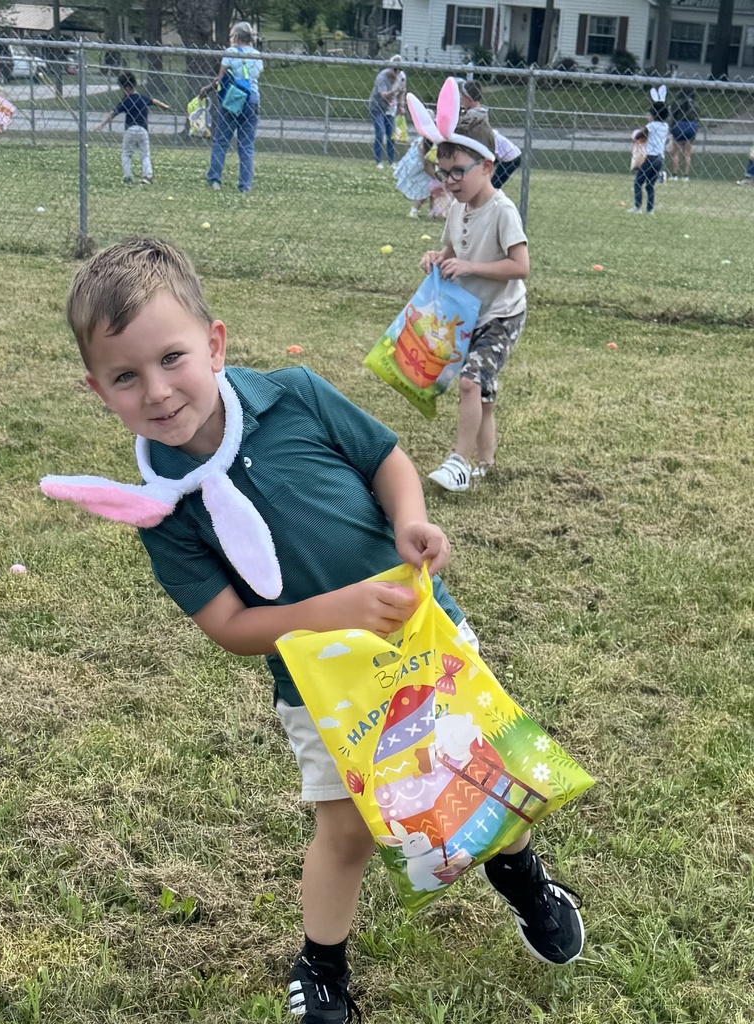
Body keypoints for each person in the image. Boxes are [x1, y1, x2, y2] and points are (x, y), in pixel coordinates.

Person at [49, 236, 584, 1024]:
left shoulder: (292, 394)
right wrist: (327, 614)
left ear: (216, 343)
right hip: (320, 689)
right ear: (99, 391)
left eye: (172, 358)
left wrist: (411, 522)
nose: (158, 391)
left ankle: (524, 879)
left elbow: (386, 460)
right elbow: (229, 626)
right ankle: (322, 966)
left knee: (476, 777)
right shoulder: (159, 508)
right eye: (127, 377)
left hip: (423, 640)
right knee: (347, 828)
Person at [411, 97, 529, 492]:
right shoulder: (457, 208)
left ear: (487, 166)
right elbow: (450, 252)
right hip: (471, 313)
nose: (450, 182)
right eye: (444, 173)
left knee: (469, 382)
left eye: (459, 171)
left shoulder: (502, 211)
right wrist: (436, 257)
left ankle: (459, 463)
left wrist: (471, 267)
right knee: (484, 395)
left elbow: (520, 266)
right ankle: (487, 465)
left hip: (502, 315)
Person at [200, 21, 263, 193]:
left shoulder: (231, 52)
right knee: (246, 145)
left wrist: (207, 89)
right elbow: (255, 75)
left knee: (221, 141)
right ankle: (245, 185)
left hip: (233, 101)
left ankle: (215, 180)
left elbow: (220, 78)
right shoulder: (256, 54)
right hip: (251, 99)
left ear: (235, 36)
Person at [94, 71, 169, 185]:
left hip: (130, 130)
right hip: (143, 130)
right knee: (145, 154)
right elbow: (154, 101)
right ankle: (147, 176)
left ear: (126, 88)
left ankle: (128, 176)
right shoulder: (142, 98)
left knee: (126, 154)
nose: (122, 92)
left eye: (122, 89)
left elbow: (113, 113)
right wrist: (165, 107)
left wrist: (101, 124)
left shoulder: (126, 101)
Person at [460, 79, 521, 189]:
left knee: (492, 188)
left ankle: (494, 202)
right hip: (494, 153)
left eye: (462, 97)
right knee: (483, 181)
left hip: (509, 158)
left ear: (469, 98)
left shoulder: (475, 114)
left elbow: (462, 127)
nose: (461, 100)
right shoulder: (479, 110)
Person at [627, 97, 669, 215]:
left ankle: (637, 207)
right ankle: (650, 209)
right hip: (660, 158)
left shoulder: (652, 125)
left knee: (638, 181)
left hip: (651, 157)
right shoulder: (665, 126)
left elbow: (640, 135)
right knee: (650, 184)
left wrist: (638, 136)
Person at [393, 135, 451, 219]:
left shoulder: (438, 145)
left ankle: (433, 211)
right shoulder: (424, 145)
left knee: (433, 186)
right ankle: (414, 211)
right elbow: (427, 166)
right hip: (416, 166)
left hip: (423, 166)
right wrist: (437, 179)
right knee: (425, 186)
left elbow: (435, 162)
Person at [368, 54, 406, 169]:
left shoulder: (402, 76)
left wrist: (401, 106)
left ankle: (391, 161)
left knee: (391, 135)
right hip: (377, 107)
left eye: (400, 69)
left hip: (391, 108)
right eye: (395, 69)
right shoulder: (381, 77)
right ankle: (378, 161)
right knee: (380, 132)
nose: (397, 72)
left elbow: (402, 91)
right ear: (390, 68)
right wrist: (396, 90)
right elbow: (384, 96)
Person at [668, 86, 698, 181]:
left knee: (675, 152)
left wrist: (671, 129)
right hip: (691, 126)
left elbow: (673, 116)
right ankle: (686, 175)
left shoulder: (677, 102)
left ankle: (674, 174)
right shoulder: (694, 104)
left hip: (679, 125)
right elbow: (697, 116)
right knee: (687, 153)